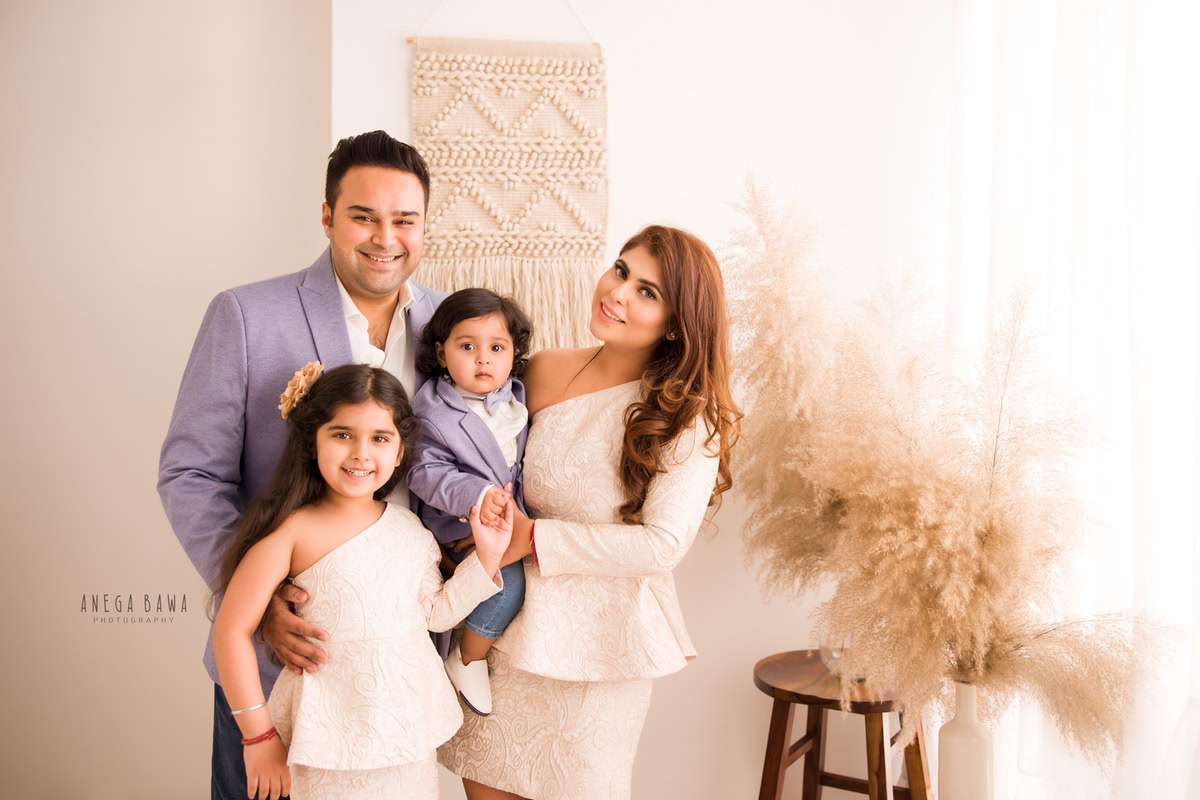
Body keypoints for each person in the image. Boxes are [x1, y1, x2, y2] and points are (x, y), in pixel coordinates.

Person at [157, 130, 447, 799]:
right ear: (327, 216)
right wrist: (256, 599)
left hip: (401, 670)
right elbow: (190, 474)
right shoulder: (246, 315)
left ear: (424, 225)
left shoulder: (450, 325)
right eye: (363, 216)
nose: (385, 238)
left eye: (404, 220)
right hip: (282, 660)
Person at [437, 225, 742, 799]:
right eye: (621, 270)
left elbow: (662, 545)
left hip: (602, 651)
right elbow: (473, 454)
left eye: (647, 292)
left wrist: (534, 538)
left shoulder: (687, 417)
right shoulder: (542, 370)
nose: (618, 292)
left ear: (676, 323)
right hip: (505, 632)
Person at [212, 363, 513, 799]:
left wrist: (487, 557)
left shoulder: (409, 530)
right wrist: (257, 736)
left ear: (400, 451)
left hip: (406, 733)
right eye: (342, 434)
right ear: (312, 441)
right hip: (329, 740)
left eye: (380, 438)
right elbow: (231, 630)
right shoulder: (292, 533)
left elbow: (435, 613)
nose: (360, 453)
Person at [406, 288, 534, 716]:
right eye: (467, 347)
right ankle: (466, 659)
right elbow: (424, 472)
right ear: (441, 354)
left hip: (511, 523)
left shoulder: (517, 397)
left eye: (496, 348)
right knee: (507, 587)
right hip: (459, 526)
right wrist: (477, 496)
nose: (483, 360)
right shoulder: (433, 411)